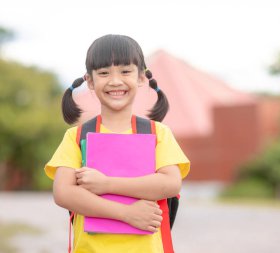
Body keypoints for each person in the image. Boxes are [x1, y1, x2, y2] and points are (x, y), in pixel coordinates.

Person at [44, 34, 190, 253]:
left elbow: (170, 183)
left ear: (141, 77)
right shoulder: (76, 136)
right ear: (90, 81)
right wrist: (126, 213)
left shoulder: (158, 133)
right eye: (104, 73)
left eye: (125, 71)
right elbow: (63, 192)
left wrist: (107, 184)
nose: (115, 81)